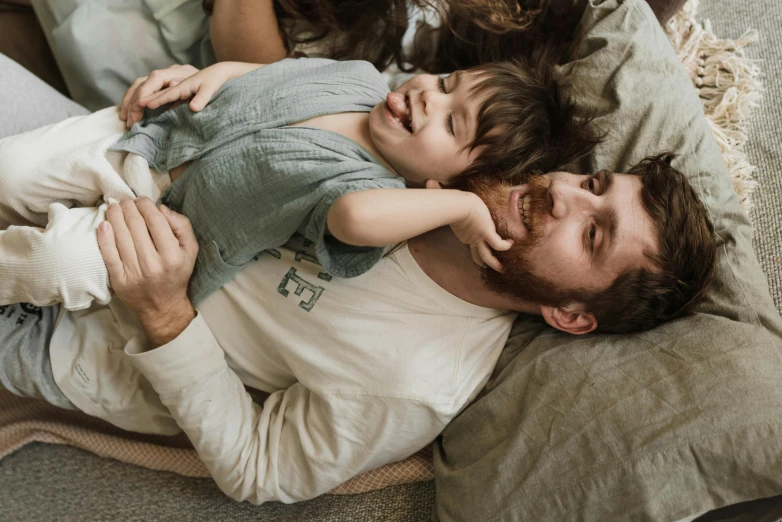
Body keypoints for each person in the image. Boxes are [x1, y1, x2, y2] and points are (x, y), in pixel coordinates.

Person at [0, 54, 716, 504]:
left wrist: (164, 317)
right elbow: (310, 103)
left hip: (72, 335)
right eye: (593, 182)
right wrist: (209, 79)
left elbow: (260, 471)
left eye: (593, 234)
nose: (564, 196)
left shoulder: (417, 380)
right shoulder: (447, 158)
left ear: (571, 315)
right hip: (122, 160)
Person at [0, 56, 598, 310]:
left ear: (445, 179)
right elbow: (273, 75)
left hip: (159, 228)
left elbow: (353, 223)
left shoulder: (377, 190)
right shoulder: (361, 77)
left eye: (452, 121)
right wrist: (211, 74)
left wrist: (464, 210)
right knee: (13, 170)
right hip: (143, 137)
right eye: (446, 81)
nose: (427, 95)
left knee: (60, 263)